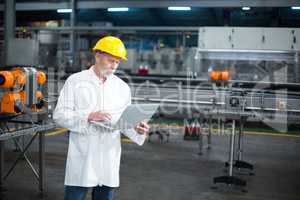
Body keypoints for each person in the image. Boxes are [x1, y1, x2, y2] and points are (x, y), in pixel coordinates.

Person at [53, 36, 150, 200]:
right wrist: (88, 116)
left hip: (109, 154)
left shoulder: (122, 87)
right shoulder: (76, 81)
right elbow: (60, 115)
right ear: (97, 56)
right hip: (83, 153)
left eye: (117, 62)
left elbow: (124, 121)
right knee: (75, 196)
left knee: (104, 196)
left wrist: (137, 127)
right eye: (111, 60)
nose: (114, 66)